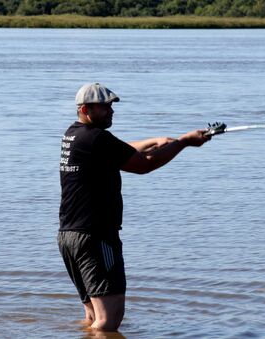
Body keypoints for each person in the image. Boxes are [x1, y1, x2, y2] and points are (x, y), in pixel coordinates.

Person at [58, 82, 210, 332]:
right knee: (109, 320)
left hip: (69, 237)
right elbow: (144, 165)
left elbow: (119, 150)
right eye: (104, 107)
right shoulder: (96, 138)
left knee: (92, 315)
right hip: (96, 238)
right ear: (86, 109)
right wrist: (183, 142)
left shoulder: (74, 134)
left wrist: (155, 141)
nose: (111, 111)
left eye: (111, 106)